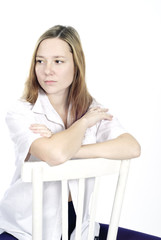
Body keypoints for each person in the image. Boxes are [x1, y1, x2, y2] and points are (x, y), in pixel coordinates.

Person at [0, 25, 141, 240]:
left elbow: (131, 147)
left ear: (76, 65)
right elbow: (56, 155)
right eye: (40, 61)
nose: (47, 70)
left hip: (79, 228)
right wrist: (83, 124)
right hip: (25, 229)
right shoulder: (22, 111)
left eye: (58, 61)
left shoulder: (90, 107)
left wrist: (69, 148)